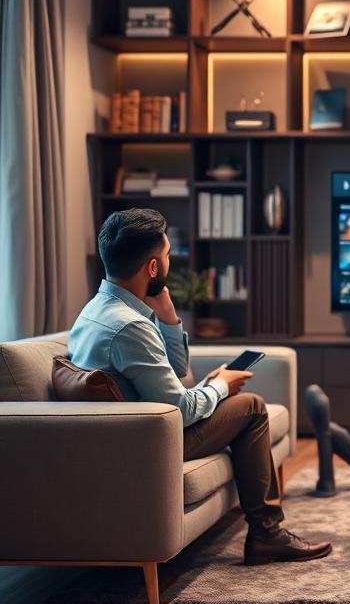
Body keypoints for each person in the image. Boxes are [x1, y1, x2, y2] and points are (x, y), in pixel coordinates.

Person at [68, 209, 332, 566]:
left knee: (234, 401)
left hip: (134, 430)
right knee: (252, 407)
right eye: (167, 255)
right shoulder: (129, 326)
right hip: (150, 441)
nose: (169, 261)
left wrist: (168, 317)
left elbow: (177, 372)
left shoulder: (98, 309)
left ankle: (264, 529)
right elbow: (182, 408)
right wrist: (221, 386)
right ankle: (266, 534)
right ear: (152, 268)